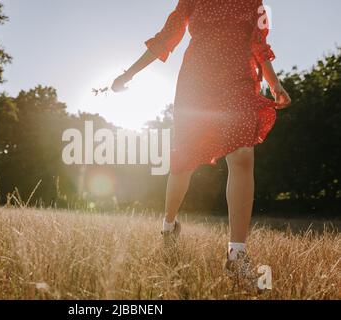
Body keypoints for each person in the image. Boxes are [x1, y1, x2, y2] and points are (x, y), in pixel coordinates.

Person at [111, 0, 292, 284]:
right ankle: (169, 226)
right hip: (198, 81)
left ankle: (237, 255)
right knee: (183, 163)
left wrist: (274, 82)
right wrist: (129, 73)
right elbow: (168, 36)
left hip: (239, 80)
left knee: (243, 154)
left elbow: (259, 43)